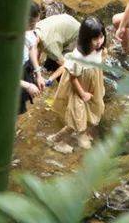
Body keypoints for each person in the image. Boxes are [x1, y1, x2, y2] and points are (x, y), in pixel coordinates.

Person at [49, 16, 107, 153]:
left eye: (101, 37)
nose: (99, 41)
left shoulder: (100, 50)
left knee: (92, 111)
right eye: (95, 39)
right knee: (75, 120)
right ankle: (56, 140)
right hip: (79, 90)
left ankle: (82, 133)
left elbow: (98, 66)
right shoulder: (78, 58)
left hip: (92, 87)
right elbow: (73, 78)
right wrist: (82, 94)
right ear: (86, 39)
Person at [34, 11, 81, 80]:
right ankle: (50, 67)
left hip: (76, 33)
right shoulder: (35, 27)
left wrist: (49, 80)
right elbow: (36, 49)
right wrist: (36, 69)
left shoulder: (49, 45)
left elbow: (64, 64)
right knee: (54, 53)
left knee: (67, 64)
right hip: (66, 21)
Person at [18, 2, 44, 115]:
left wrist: (38, 73)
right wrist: (28, 85)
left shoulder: (28, 31)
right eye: (32, 23)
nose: (34, 27)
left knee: (20, 101)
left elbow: (32, 47)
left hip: (23, 67)